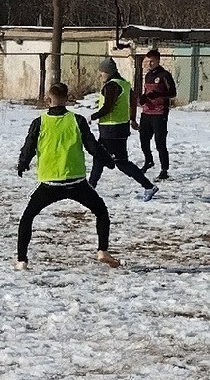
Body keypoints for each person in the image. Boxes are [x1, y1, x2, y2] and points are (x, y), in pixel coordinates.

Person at [15, 82, 120, 270]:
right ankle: (102, 250)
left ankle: (22, 260)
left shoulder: (39, 122)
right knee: (101, 212)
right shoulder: (77, 120)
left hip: (49, 184)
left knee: (27, 218)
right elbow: (92, 146)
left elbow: (29, 147)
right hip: (76, 182)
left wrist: (22, 164)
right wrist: (108, 160)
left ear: (49, 98)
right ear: (67, 98)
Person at [86, 57, 159, 200]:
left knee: (121, 162)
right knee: (99, 158)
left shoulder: (111, 86)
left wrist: (92, 117)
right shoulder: (125, 84)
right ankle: (90, 188)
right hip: (119, 128)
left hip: (111, 130)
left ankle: (148, 186)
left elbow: (107, 108)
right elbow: (132, 102)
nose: (100, 75)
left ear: (108, 72)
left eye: (102, 73)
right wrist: (132, 119)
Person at [136, 48, 178, 180]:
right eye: (148, 61)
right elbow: (147, 92)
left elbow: (172, 93)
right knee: (143, 139)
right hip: (147, 112)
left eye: (152, 61)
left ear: (158, 61)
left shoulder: (165, 75)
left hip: (160, 113)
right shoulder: (148, 76)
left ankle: (164, 169)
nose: (149, 64)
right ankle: (148, 160)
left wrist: (159, 94)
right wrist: (143, 98)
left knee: (160, 142)